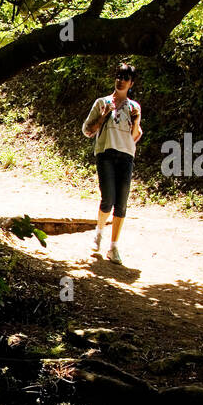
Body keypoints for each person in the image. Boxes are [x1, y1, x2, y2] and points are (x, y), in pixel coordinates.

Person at [81, 62, 143, 264]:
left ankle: (114, 247)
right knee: (108, 197)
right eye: (118, 76)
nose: (120, 81)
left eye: (125, 78)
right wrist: (103, 115)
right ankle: (98, 233)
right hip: (105, 153)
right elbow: (87, 130)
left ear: (131, 83)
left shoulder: (134, 107)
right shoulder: (102, 102)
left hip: (126, 155)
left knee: (121, 203)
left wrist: (136, 121)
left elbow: (135, 136)